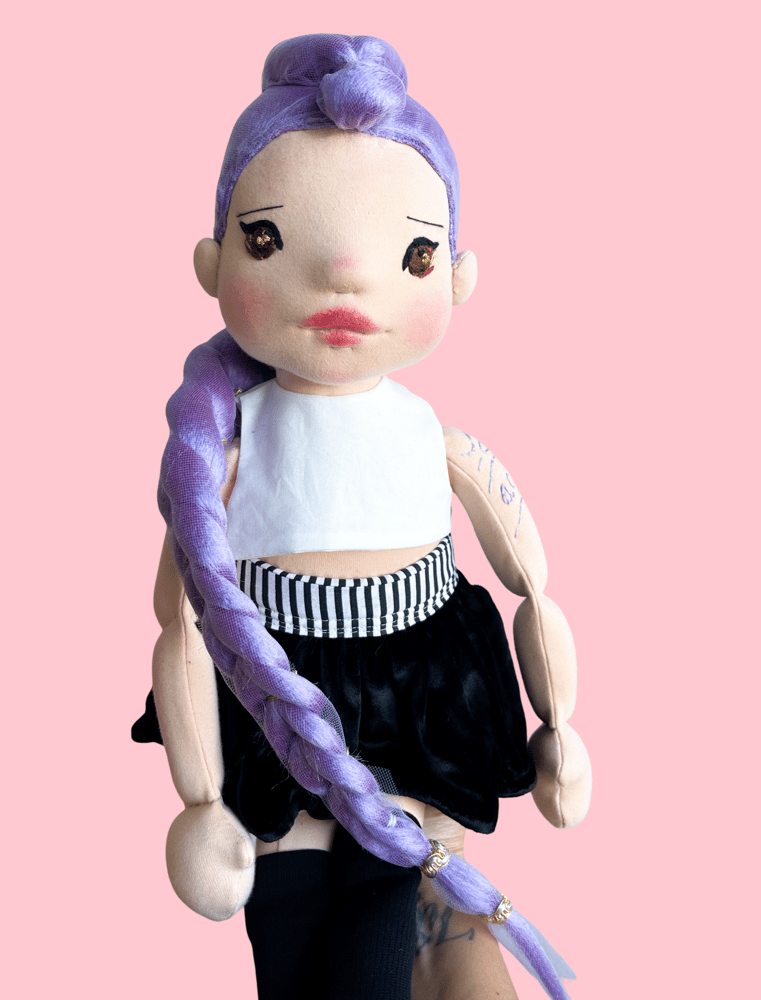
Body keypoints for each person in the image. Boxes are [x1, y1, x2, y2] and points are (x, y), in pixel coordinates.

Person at [133, 34, 590, 1000]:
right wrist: (202, 800)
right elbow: (182, 620)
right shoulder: (225, 452)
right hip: (274, 687)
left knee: (391, 888)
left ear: (454, 275)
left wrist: (560, 726)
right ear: (215, 262)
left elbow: (529, 579)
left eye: (412, 254)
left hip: (420, 689)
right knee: (292, 904)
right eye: (270, 241)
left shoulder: (431, 439)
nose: (345, 274)